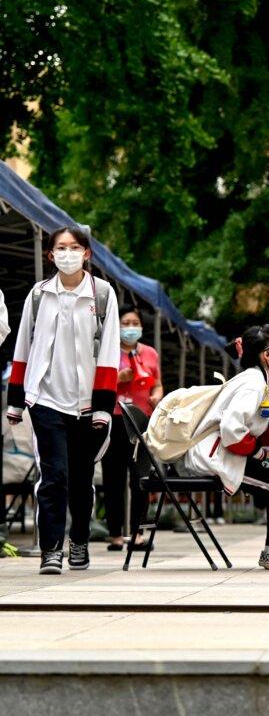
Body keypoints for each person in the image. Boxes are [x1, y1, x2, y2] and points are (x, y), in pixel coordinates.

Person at [5, 226, 120, 575]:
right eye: (60, 248)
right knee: (53, 475)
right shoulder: (39, 295)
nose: (66, 253)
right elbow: (23, 347)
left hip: (88, 404)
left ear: (86, 253)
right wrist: (15, 400)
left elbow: (110, 352)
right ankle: (50, 549)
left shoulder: (102, 294)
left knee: (81, 479)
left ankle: (79, 540)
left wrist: (102, 405)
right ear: (50, 254)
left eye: (74, 247)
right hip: (47, 399)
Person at [178, 325, 269, 569]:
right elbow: (232, 432)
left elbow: (262, 430)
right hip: (216, 458)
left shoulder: (259, 381)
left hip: (228, 452)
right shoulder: (252, 383)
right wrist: (262, 454)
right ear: (267, 355)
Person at [102, 305, 162, 551]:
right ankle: (116, 535)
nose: (130, 327)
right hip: (115, 419)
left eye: (134, 322)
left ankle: (137, 534)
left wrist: (157, 396)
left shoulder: (149, 353)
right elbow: (97, 383)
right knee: (113, 478)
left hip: (141, 421)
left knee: (140, 478)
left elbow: (157, 383)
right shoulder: (107, 352)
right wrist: (118, 378)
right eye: (125, 323)